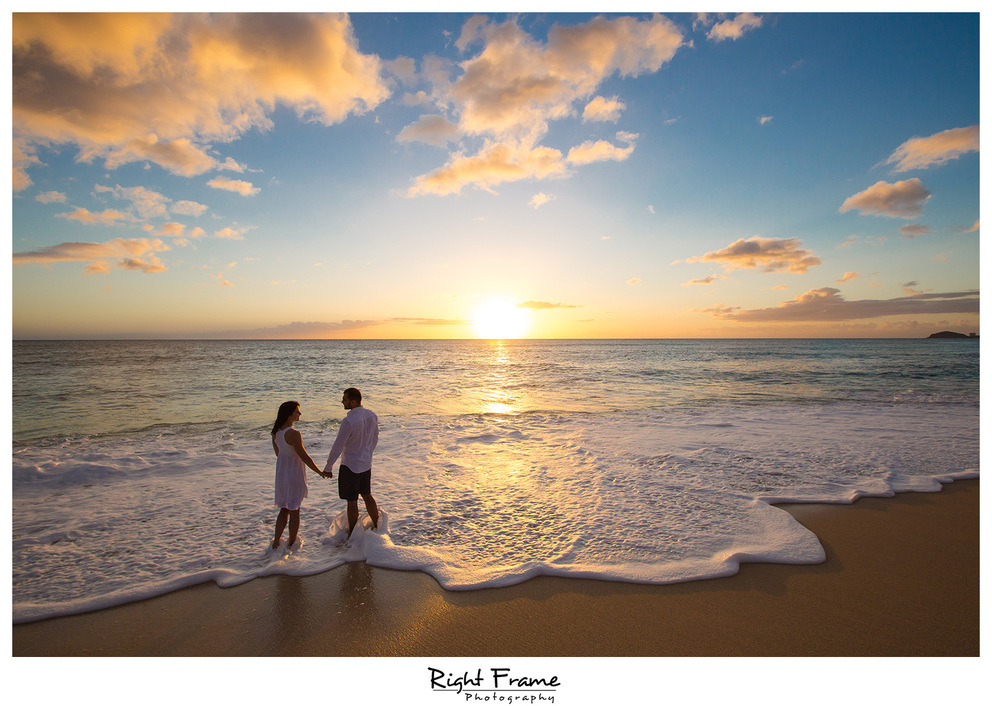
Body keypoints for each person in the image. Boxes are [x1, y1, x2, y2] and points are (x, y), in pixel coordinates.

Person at [270, 400, 327, 549]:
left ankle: (276, 542)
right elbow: (304, 457)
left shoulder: (276, 432)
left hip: (282, 475)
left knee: (284, 509)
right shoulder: (294, 434)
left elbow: (279, 454)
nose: (299, 413)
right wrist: (319, 472)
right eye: (297, 411)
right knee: (295, 510)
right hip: (294, 475)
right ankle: (291, 543)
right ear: (289, 415)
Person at [323, 387, 379, 534]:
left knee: (352, 501)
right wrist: (367, 454)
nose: (342, 401)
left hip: (350, 465)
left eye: (345, 399)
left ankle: (353, 534)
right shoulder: (372, 415)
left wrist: (328, 467)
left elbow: (338, 446)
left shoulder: (349, 421)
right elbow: (375, 439)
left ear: (353, 402)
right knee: (367, 495)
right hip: (366, 463)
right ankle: (379, 527)